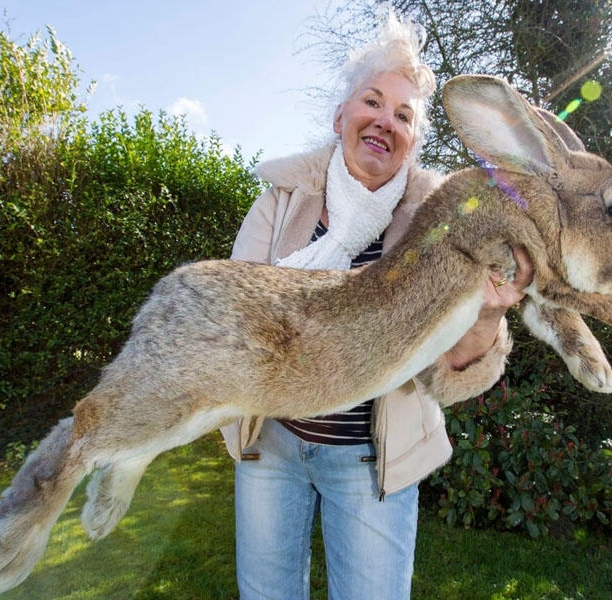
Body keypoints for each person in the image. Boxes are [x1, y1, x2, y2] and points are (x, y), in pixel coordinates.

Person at [220, 8, 533, 600]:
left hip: (373, 460)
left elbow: (446, 375)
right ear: (341, 116)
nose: (384, 121)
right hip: (273, 446)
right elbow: (235, 317)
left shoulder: (443, 225)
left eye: (404, 115)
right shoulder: (281, 202)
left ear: (414, 142)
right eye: (372, 102)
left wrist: (489, 313)